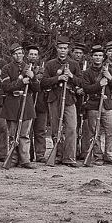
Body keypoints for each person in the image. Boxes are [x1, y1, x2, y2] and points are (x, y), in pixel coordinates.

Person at [40, 37, 82, 166]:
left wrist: (71, 76)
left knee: (71, 127)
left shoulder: (74, 64)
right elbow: (44, 82)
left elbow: (81, 82)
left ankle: (69, 157)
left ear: (68, 50)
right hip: (54, 98)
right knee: (55, 129)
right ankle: (58, 154)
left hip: (69, 99)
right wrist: (58, 78)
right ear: (57, 49)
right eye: (60, 48)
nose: (62, 50)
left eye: (65, 48)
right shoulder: (50, 64)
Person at [78, 45, 112, 165]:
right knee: (95, 132)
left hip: (107, 104)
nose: (98, 58)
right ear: (91, 57)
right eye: (95, 55)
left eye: (100, 55)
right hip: (94, 105)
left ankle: (110, 155)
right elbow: (87, 89)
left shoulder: (108, 70)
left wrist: (110, 78)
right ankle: (97, 156)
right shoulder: (87, 73)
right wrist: (100, 84)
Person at [1, 43, 37, 168]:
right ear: (12, 55)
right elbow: (6, 87)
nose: (19, 56)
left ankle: (25, 159)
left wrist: (33, 78)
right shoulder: (6, 68)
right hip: (12, 103)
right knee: (12, 133)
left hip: (26, 103)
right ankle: (13, 158)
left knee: (24, 134)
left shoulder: (29, 67)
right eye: (16, 53)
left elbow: (37, 88)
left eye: (20, 53)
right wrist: (21, 81)